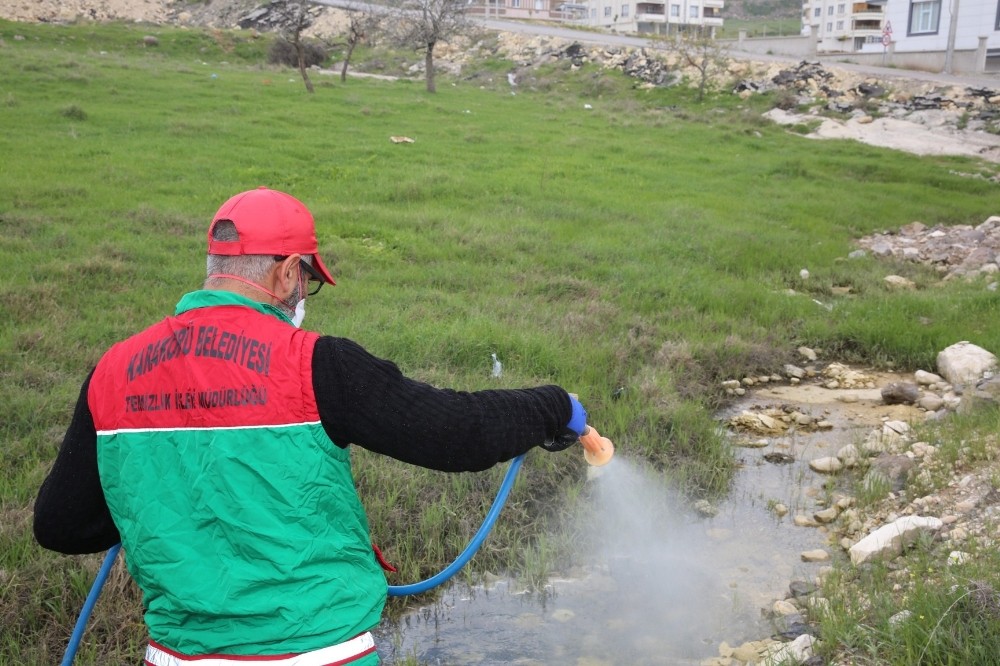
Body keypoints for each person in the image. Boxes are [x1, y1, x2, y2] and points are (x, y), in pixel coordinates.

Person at [33, 187, 589, 666]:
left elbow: (59, 525)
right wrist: (551, 406)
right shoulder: (317, 364)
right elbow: (457, 434)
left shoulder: (112, 372)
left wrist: (161, 504)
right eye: (307, 281)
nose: (303, 296)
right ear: (287, 271)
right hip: (318, 652)